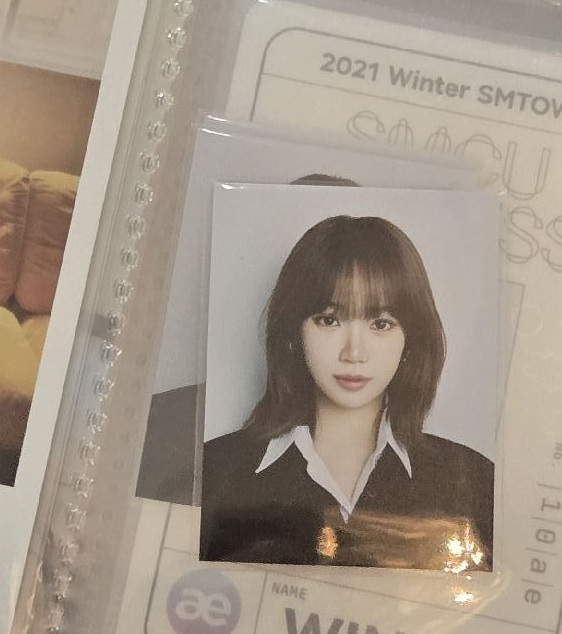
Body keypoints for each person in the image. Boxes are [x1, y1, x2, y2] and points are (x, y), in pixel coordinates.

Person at [199, 214, 493, 569]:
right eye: (329, 320)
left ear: (411, 339)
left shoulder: (473, 479)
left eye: (381, 324)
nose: (354, 353)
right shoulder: (212, 470)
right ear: (293, 331)